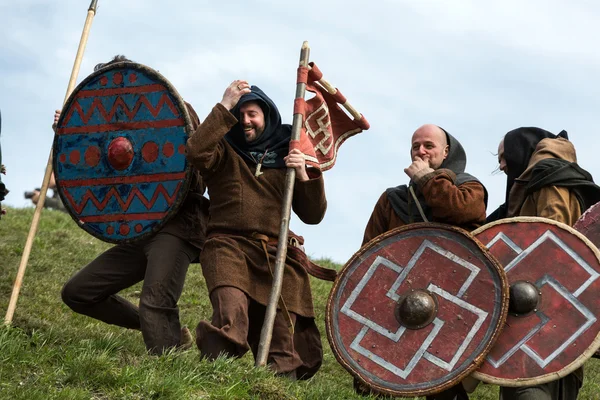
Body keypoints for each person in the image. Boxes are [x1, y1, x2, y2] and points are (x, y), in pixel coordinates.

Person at [61, 55, 210, 355]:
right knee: (78, 293)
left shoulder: (173, 109)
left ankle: (169, 372)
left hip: (179, 224)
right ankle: (172, 335)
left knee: (155, 301)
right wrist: (74, 134)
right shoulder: (108, 129)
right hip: (140, 229)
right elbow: (91, 171)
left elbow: (199, 176)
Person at [185, 80, 327, 379]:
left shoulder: (288, 154)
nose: (246, 121)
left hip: (275, 254)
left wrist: (302, 173)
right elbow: (196, 152)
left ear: (267, 114)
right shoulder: (223, 149)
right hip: (228, 246)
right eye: (240, 114)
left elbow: (313, 215)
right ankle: (209, 376)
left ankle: (274, 387)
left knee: (281, 347)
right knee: (230, 319)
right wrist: (224, 106)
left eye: (252, 114)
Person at [360, 124, 488, 399]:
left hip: (451, 297)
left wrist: (428, 181)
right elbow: (370, 250)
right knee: (382, 375)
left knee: (444, 379)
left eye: (428, 146)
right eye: (415, 146)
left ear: (446, 151)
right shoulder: (393, 199)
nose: (420, 151)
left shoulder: (469, 186)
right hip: (401, 296)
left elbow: (461, 210)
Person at [490, 127, 600, 399]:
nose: (502, 164)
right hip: (545, 317)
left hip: (549, 315)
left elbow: (555, 245)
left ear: (522, 149)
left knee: (532, 388)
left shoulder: (550, 180)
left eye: (504, 156)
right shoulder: (547, 180)